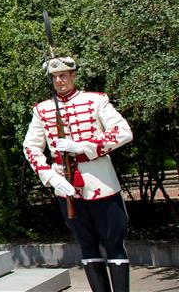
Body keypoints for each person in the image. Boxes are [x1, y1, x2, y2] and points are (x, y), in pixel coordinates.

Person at [23, 56, 133, 292]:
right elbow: (30, 147)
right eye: (54, 77)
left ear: (73, 76)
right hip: (67, 188)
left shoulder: (96, 101)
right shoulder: (42, 110)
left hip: (101, 183)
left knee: (114, 245)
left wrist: (83, 147)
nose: (59, 81)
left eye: (63, 75)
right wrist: (51, 178)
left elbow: (123, 132)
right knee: (87, 245)